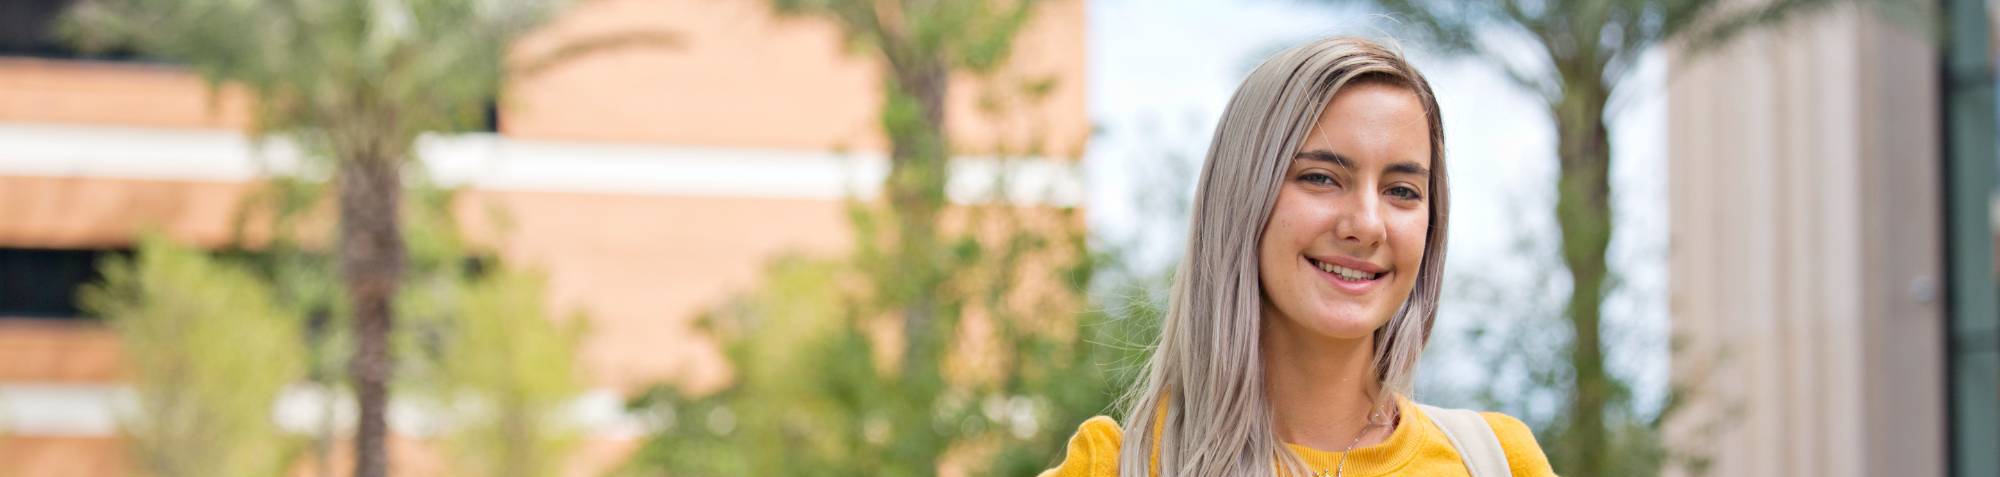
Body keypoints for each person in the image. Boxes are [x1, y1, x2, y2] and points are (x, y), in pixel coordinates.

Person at [1040, 37, 1557, 477]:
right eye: (1321, 178)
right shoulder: (1117, 464)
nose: (1367, 225)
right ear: (1241, 199)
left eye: (1402, 190)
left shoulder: (1497, 461)